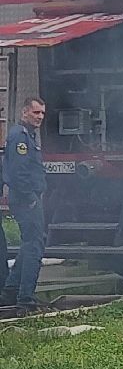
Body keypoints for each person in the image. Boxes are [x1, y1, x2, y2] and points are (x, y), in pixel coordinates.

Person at [1, 97, 49, 312]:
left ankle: (11, 291)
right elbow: (17, 174)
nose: (39, 117)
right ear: (24, 113)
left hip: (29, 198)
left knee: (31, 242)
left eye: (42, 114)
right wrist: (30, 198)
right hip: (25, 200)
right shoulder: (20, 137)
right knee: (35, 247)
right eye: (36, 112)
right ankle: (26, 299)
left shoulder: (29, 136)